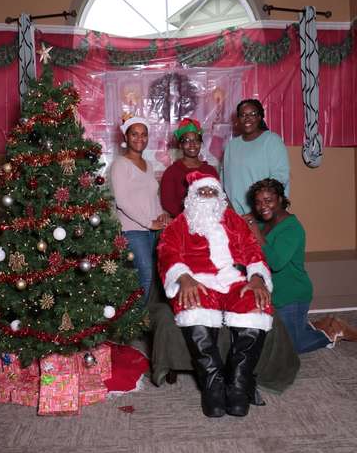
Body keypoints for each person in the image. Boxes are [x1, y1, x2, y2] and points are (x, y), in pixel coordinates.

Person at [157, 170, 273, 418]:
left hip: (233, 280)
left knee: (255, 305)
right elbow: (168, 254)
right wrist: (184, 277)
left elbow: (253, 250)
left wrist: (256, 277)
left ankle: (238, 387)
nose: (208, 195)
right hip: (197, 280)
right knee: (193, 307)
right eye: (202, 191)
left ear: (220, 195)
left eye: (212, 191)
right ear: (192, 196)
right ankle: (213, 387)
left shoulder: (233, 220)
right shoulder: (179, 224)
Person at [245, 178, 357, 352]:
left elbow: (276, 263)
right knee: (267, 339)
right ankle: (316, 325)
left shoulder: (292, 228)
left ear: (280, 200)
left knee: (290, 347)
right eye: (258, 202)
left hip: (292, 296)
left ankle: (334, 330)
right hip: (272, 295)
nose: (262, 206)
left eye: (268, 200)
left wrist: (255, 233)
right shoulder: (263, 223)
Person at [110, 116, 170, 304]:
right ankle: (134, 323)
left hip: (151, 232)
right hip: (132, 231)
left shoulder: (149, 164)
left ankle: (139, 321)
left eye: (144, 135)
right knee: (145, 275)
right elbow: (122, 201)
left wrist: (160, 213)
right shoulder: (120, 164)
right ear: (126, 137)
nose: (139, 139)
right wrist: (149, 222)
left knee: (149, 278)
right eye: (134, 134)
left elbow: (153, 196)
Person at [223, 99, 290, 214]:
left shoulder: (272, 141)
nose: (247, 118)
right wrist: (232, 212)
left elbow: (280, 178)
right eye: (243, 115)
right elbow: (224, 182)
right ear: (238, 119)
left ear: (260, 117)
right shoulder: (231, 146)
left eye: (252, 114)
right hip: (237, 216)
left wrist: (257, 211)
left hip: (264, 213)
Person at [160, 118, 220, 218]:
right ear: (180, 145)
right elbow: (168, 203)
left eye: (196, 140)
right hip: (183, 224)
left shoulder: (210, 171)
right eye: (186, 141)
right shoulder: (171, 172)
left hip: (210, 223)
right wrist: (191, 218)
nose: (192, 144)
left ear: (201, 143)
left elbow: (218, 199)